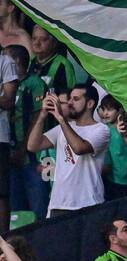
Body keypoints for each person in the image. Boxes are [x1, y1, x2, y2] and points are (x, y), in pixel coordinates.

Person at [25, 84, 110, 214]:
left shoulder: (101, 130)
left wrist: (61, 119)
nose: (70, 103)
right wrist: (42, 115)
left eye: (75, 99)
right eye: (69, 99)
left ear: (90, 104)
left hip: (88, 203)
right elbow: (32, 146)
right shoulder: (62, 128)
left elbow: (79, 148)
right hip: (58, 203)